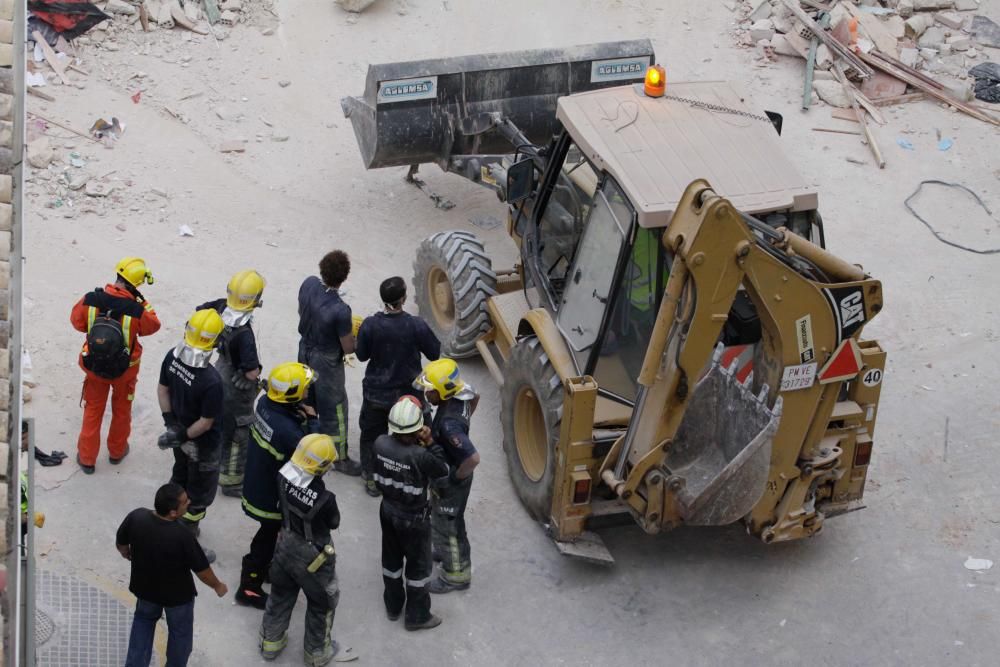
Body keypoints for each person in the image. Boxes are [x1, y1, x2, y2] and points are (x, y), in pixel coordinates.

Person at [259, 434, 358, 665]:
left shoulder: (283, 476)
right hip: (314, 558)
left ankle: (270, 644)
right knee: (321, 604)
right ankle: (316, 653)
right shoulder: (326, 498)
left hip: (284, 545)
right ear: (322, 467)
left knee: (280, 595)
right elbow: (333, 523)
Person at [117, 483, 228, 667]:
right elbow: (202, 570)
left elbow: (121, 542)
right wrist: (218, 585)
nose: (189, 502)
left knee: (143, 623)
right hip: (178, 598)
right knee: (180, 635)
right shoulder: (182, 535)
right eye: (185, 502)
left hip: (145, 590)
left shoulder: (137, 517)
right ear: (173, 513)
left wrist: (126, 553)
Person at [70, 257, 160, 473]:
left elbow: (76, 321)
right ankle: (117, 452)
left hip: (95, 368)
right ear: (136, 284)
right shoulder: (137, 310)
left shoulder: (91, 299)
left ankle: (87, 459)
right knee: (121, 411)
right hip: (124, 372)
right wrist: (143, 302)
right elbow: (153, 325)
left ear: (118, 276)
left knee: (93, 410)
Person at [238, 362, 317, 609]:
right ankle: (249, 587)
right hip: (271, 498)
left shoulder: (264, 404)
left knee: (269, 535)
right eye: (305, 388)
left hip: (257, 483)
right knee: (267, 538)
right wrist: (313, 422)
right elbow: (312, 451)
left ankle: (265, 570)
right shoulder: (290, 433)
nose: (308, 391)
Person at [356, 276, 441, 497]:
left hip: (377, 394)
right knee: (421, 433)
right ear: (403, 299)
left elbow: (361, 355)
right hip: (408, 396)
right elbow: (435, 352)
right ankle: (424, 476)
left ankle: (372, 479)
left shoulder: (370, 325)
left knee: (371, 437)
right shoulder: (416, 325)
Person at [373, 396, 449, 631]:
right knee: (418, 568)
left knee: (391, 559)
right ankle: (417, 616)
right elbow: (442, 470)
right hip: (414, 518)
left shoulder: (379, 443)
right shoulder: (420, 455)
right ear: (417, 428)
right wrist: (431, 442)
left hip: (387, 511)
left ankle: (393, 605)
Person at [157, 309, 225, 551]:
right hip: (203, 445)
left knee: (180, 475)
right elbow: (206, 422)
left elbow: (162, 390)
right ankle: (186, 533)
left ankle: (165, 518)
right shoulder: (212, 381)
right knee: (199, 492)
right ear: (216, 341)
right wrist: (183, 435)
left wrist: (172, 427)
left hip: (179, 435)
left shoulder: (171, 357)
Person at [197, 269, 266, 497]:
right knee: (239, 432)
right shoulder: (244, 334)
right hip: (236, 387)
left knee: (218, 421)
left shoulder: (219, 307)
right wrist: (257, 379)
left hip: (219, 370)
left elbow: (199, 314)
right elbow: (251, 372)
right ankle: (232, 481)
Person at [415, 359, 481, 593]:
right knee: (443, 520)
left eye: (429, 389)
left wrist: (455, 478)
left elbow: (472, 459)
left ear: (442, 391)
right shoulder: (462, 391)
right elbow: (476, 397)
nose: (426, 393)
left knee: (448, 526)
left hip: (453, 478)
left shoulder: (449, 425)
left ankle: (455, 575)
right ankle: (444, 552)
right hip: (449, 467)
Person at [297, 250, 361, 476]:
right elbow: (348, 348)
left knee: (306, 398)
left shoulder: (309, 284)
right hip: (326, 361)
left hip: (304, 350)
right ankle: (339, 457)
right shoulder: (340, 310)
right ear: (344, 277)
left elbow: (301, 311)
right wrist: (357, 334)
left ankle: (307, 443)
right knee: (335, 408)